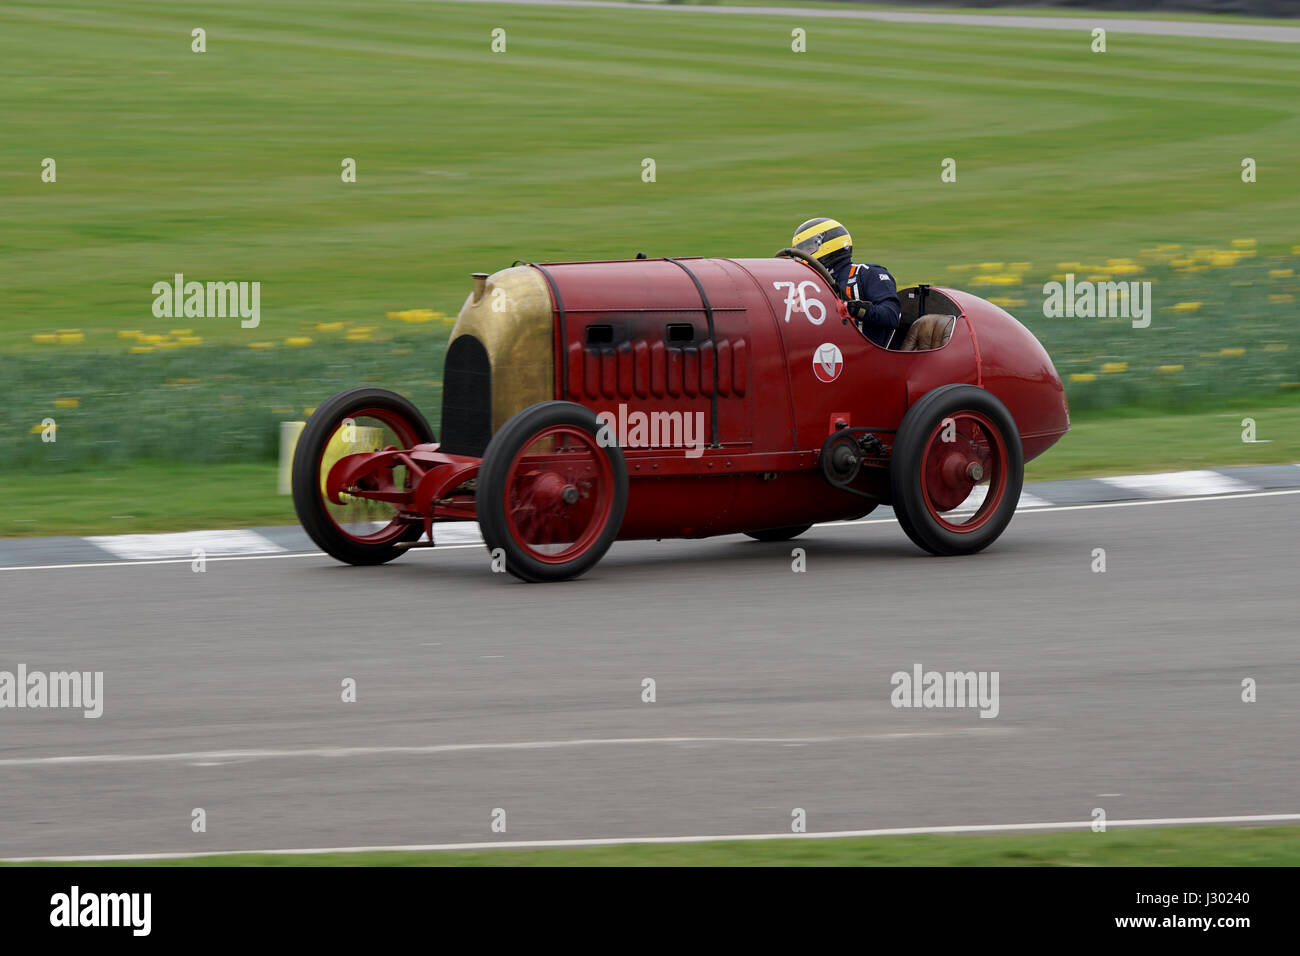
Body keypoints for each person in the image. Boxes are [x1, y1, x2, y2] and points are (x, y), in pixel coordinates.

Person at [791, 218, 902, 347]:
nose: (803, 255)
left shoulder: (868, 273)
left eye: (808, 248)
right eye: (800, 251)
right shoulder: (806, 283)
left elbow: (891, 316)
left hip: (861, 356)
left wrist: (857, 309)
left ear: (829, 244)